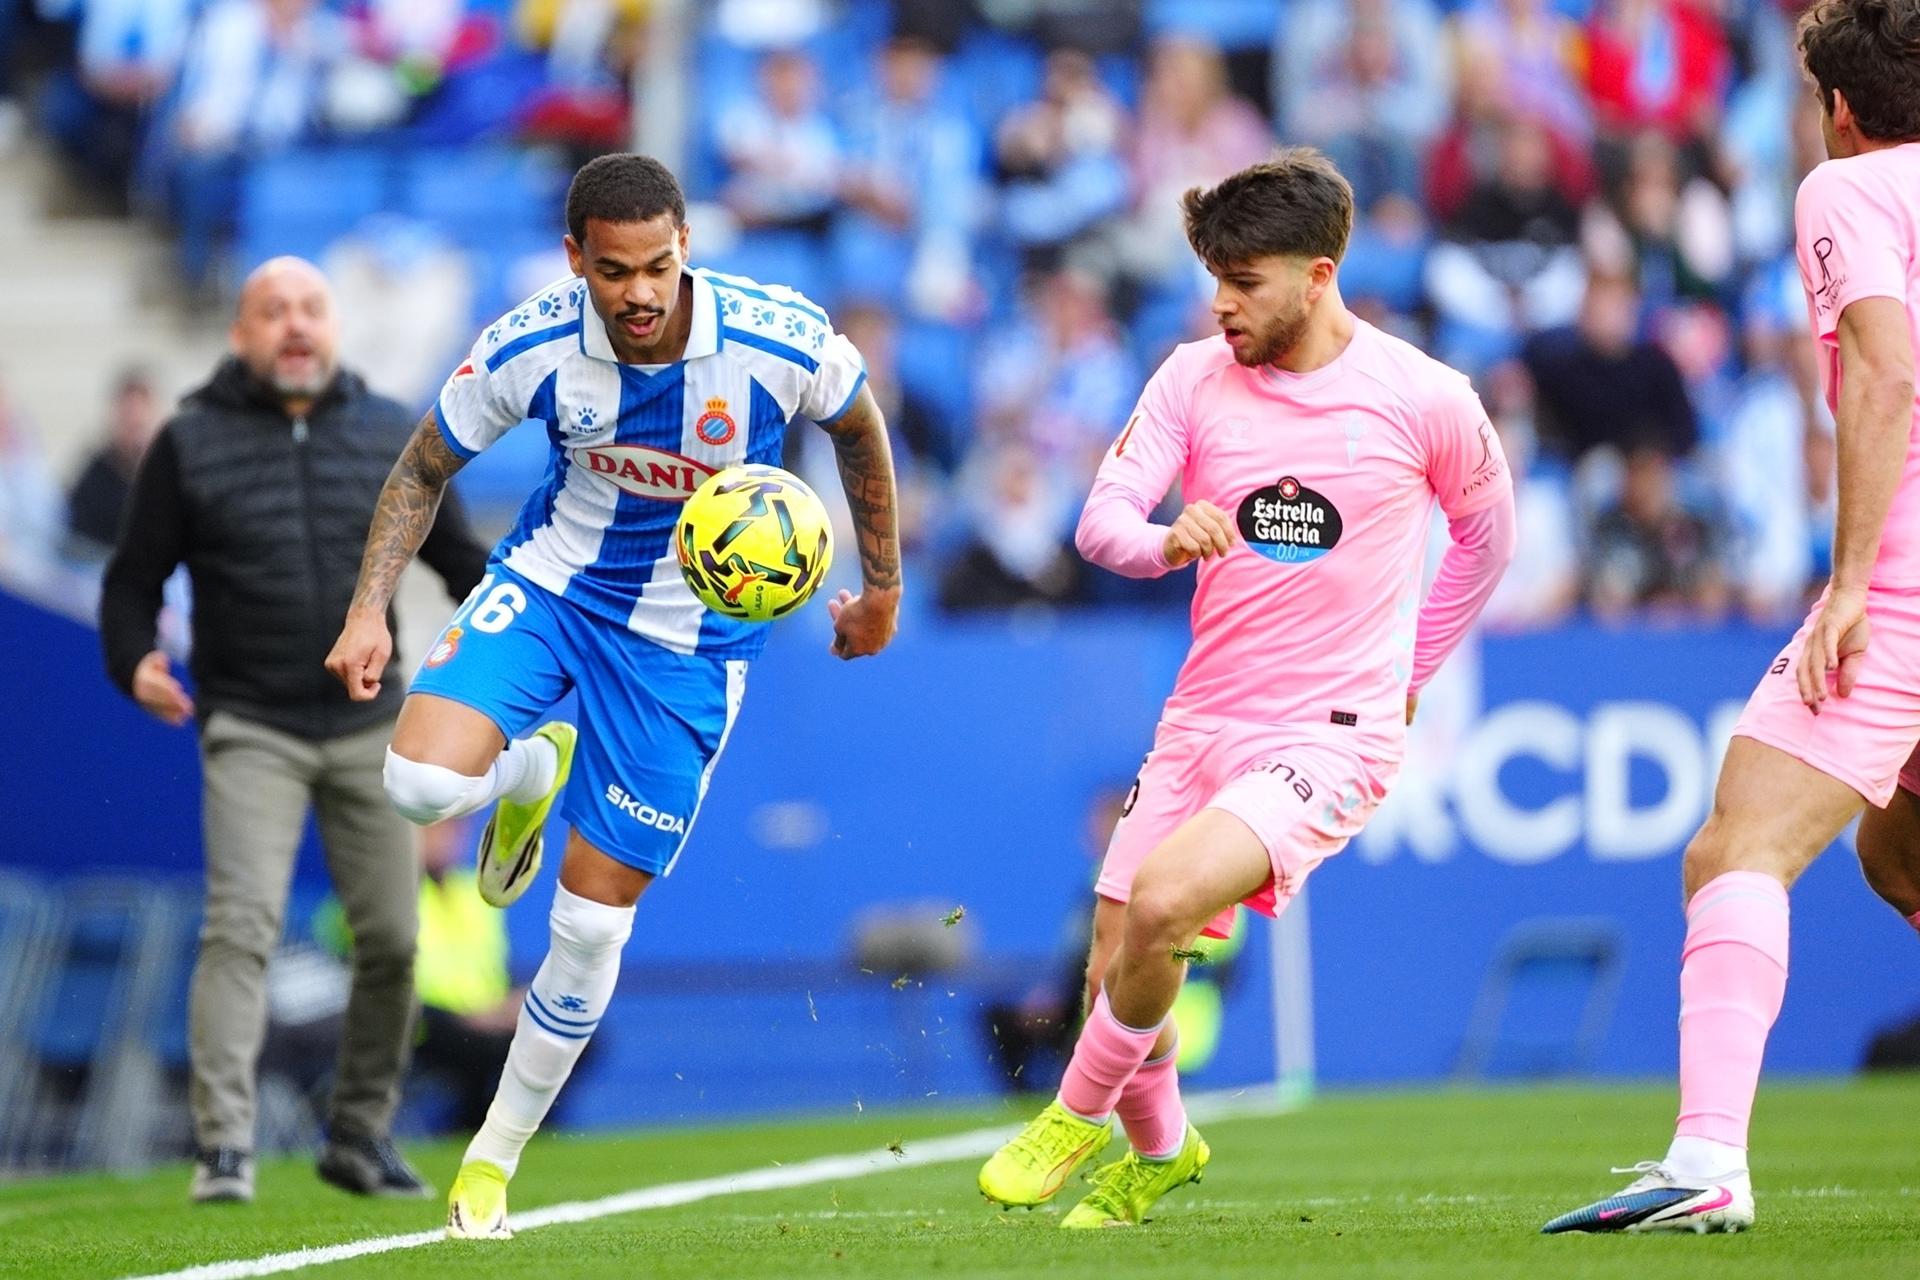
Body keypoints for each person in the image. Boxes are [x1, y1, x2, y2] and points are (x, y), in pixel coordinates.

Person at [322, 153, 902, 1241]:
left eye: (660, 265)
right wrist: (368, 611)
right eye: (616, 270)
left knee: (587, 928)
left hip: (692, 643)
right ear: (575, 258)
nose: (640, 292)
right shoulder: (532, 340)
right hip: (555, 586)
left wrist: (882, 588)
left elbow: (859, 425)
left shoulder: (776, 338)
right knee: (411, 783)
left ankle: (490, 1163)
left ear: (688, 247)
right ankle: (533, 767)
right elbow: (418, 467)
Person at [975, 149, 1516, 1227]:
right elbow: (1100, 520)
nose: (1222, 303)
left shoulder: (1424, 397)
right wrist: (1167, 538)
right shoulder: (1190, 376)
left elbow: (1487, 542)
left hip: (1328, 734)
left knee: (1171, 900)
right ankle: (1165, 1146)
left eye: (1246, 280)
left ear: (1320, 275)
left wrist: (1408, 672)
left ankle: (1069, 1118)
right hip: (1201, 718)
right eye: (1213, 277)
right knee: (1112, 966)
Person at [1545, 0, 1920, 1234]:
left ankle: (1706, 1156)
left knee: (1737, 848)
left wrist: (1855, 580)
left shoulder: (1850, 190)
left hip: (1910, 582)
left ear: (1841, 109)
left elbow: (1884, 368)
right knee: (1897, 853)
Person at [98, 258, 490, 1204]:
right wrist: (133, 661)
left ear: (335, 325)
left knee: (395, 940)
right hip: (251, 726)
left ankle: (358, 1134)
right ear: (242, 334)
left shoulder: (392, 434)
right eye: (273, 312)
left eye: (311, 309)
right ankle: (225, 1146)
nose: (296, 326)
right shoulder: (188, 443)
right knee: (242, 928)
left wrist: (525, 646)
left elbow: (466, 561)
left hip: (370, 725)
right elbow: (131, 582)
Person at [67, 367, 162, 558]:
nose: (133, 432)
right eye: (128, 420)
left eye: (139, 424)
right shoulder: (94, 477)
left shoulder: (171, 474)